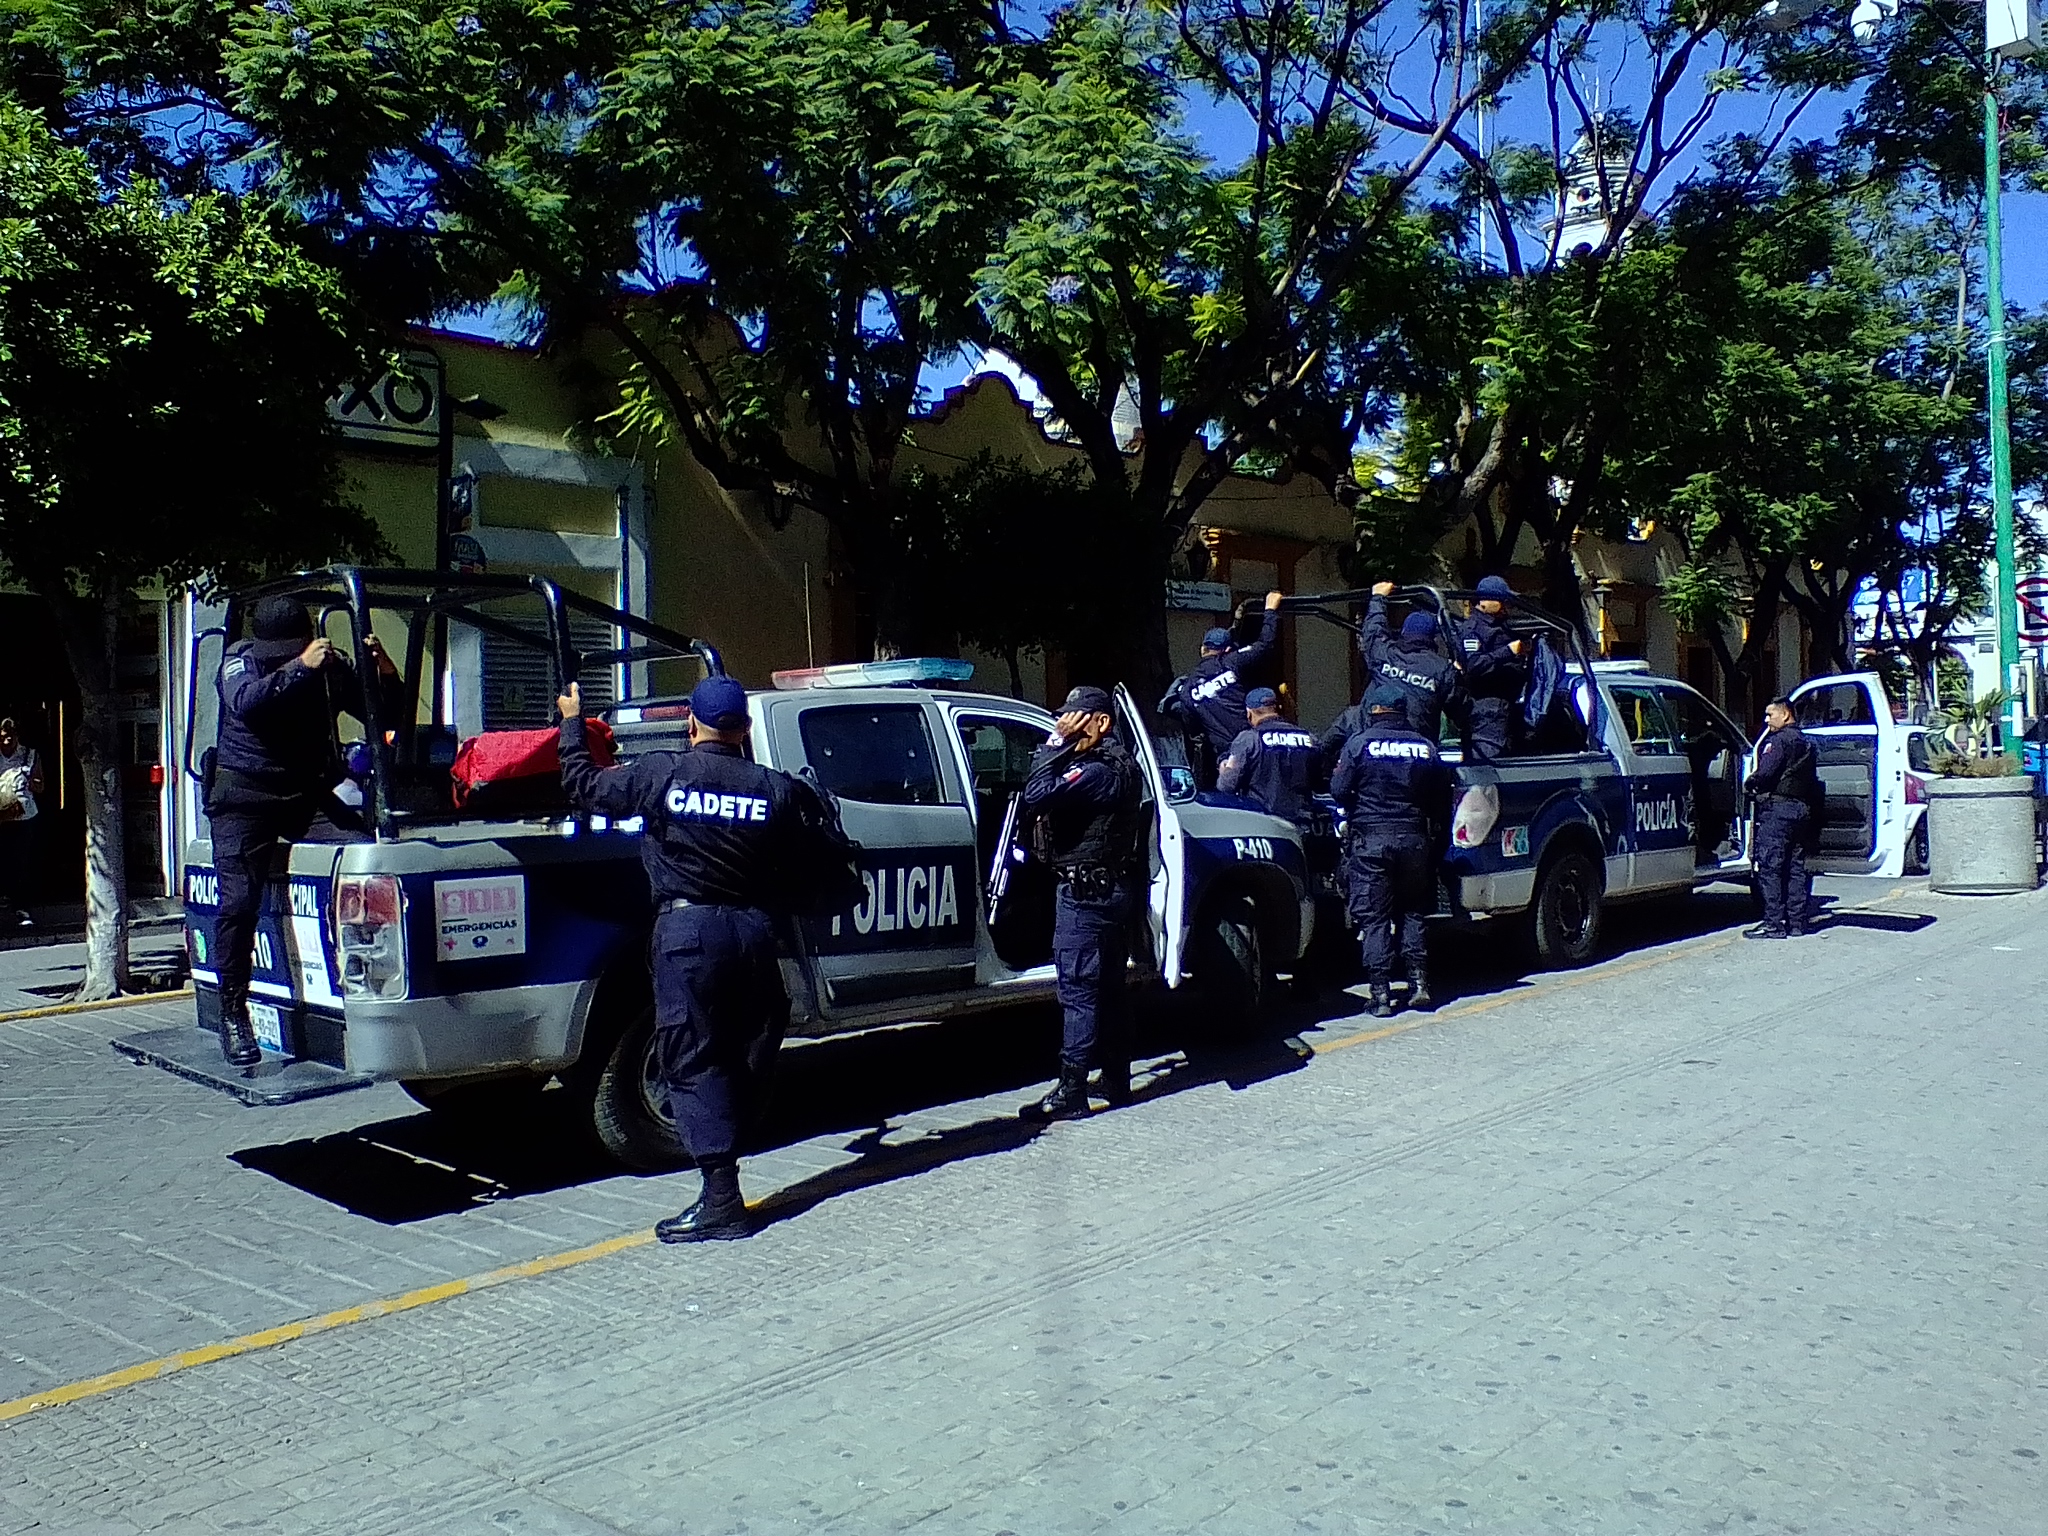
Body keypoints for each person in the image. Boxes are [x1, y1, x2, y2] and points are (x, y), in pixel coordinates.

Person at [558, 673, 825, 1243]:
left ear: (690, 724)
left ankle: (722, 1199)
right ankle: (735, 1137)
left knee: (692, 1054)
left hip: (690, 933)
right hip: (754, 932)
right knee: (747, 1046)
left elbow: (583, 785)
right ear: (746, 729)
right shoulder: (773, 788)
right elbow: (807, 862)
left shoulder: (664, 773)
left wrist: (572, 722)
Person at [208, 598, 392, 1068]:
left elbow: (385, 714)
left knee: (366, 856)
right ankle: (234, 1010)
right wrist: (297, 667)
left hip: (306, 794)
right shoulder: (238, 661)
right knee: (238, 902)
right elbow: (248, 702)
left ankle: (361, 981)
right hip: (245, 799)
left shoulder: (327, 664)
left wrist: (380, 673)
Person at [1018, 685, 1146, 1120]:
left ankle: (1072, 1091)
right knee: (1109, 988)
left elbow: (1034, 794)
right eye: (1062, 721)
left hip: (1087, 896)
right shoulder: (1114, 763)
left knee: (1078, 990)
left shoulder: (1097, 771)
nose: (1066, 727)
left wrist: (1054, 744)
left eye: (1074, 720)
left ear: (1101, 722)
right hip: (1107, 891)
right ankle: (1116, 1078)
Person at [1330, 684, 1452, 1018]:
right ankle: (1419, 983)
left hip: (1371, 842)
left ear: (1375, 710)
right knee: (1413, 911)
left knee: (1375, 918)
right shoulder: (1425, 747)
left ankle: (1381, 994)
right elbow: (1442, 797)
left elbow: (1339, 790)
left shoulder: (1359, 744)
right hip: (1414, 840)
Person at [1170, 591, 1286, 783]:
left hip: (1227, 760)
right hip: (1256, 747)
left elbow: (1193, 730)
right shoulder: (1232, 661)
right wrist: (1270, 611)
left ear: (1202, 650)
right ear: (1228, 649)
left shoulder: (1187, 691)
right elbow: (1265, 644)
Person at [1746, 696, 1820, 940]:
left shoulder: (1778, 742)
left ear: (1786, 715)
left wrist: (1750, 783)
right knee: (1796, 868)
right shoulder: (1806, 742)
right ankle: (1797, 922)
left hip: (1778, 811)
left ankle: (1774, 924)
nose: (1767, 720)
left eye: (1770, 715)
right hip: (1801, 810)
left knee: (1771, 867)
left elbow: (1765, 772)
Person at [1358, 580, 1462, 743]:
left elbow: (1373, 631)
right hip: (1417, 750)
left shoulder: (1385, 653)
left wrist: (1378, 597)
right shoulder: (1442, 669)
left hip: (1373, 746)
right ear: (1433, 638)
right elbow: (1458, 709)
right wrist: (1458, 675)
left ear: (1404, 631)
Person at [1456, 575, 1529, 763]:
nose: (1506, 606)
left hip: (1504, 707)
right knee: (1489, 767)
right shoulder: (1473, 629)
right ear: (1485, 601)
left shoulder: (1502, 626)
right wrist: (1508, 651)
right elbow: (1473, 665)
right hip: (1486, 709)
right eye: (1502, 600)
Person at [1218, 687, 1319, 824]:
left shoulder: (1249, 739)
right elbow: (1322, 783)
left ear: (1249, 714)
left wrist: (1224, 768)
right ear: (1277, 708)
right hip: (1303, 824)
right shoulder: (1309, 739)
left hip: (1264, 825)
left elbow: (1226, 786)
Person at [0, 717, 46, 927]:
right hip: (1, 814)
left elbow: (40, 786)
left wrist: (30, 782)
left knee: (20, 861)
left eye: (12, 734)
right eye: (3, 734)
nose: (8, 738)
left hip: (23, 814)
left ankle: (21, 908)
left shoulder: (29, 754)